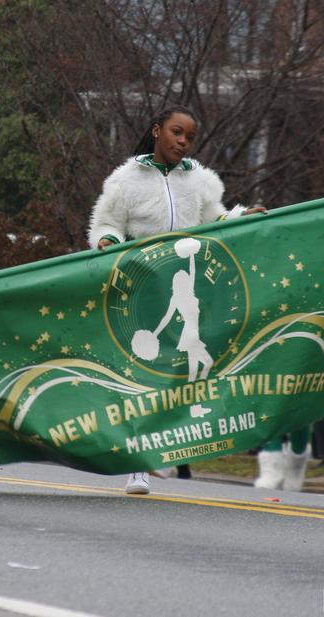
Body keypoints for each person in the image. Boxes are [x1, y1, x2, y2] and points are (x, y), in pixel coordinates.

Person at [87, 105, 261, 495]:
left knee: (174, 376)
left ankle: (159, 448)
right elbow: (107, 223)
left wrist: (244, 216)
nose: (183, 142)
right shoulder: (126, 179)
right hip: (139, 287)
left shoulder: (197, 180)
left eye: (190, 137)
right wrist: (107, 240)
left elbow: (215, 219)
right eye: (176, 133)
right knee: (142, 375)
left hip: (185, 287)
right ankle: (138, 466)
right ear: (156, 131)